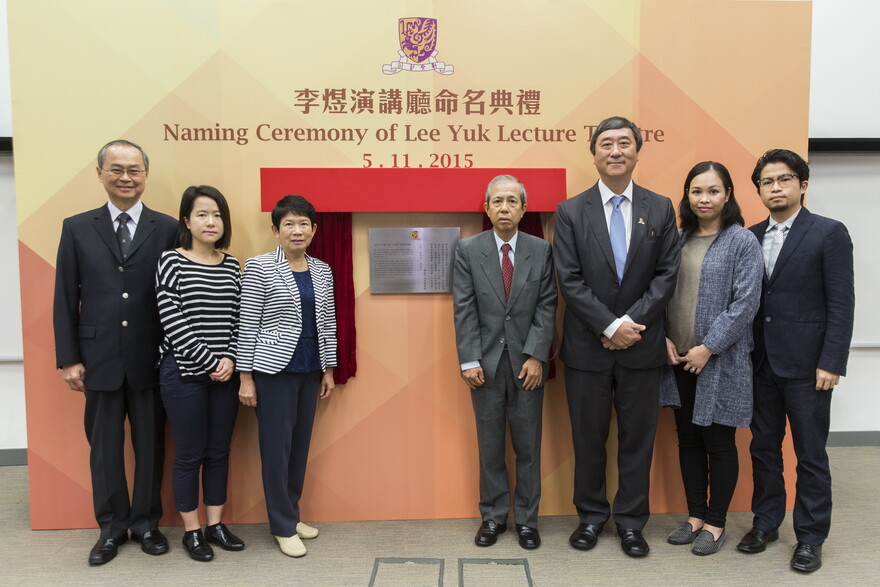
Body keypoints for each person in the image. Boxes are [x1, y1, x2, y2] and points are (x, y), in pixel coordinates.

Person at [553, 116, 679, 557]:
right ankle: (590, 518)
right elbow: (569, 280)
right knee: (588, 440)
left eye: (625, 143)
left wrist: (629, 327)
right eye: (606, 143)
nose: (616, 151)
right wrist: (609, 326)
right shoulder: (570, 211)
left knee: (637, 440)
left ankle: (630, 523)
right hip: (588, 349)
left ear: (637, 152)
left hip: (641, 349)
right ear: (594, 154)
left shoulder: (661, 207)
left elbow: (665, 277)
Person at [53, 139, 178, 565]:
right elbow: (65, 296)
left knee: (151, 445)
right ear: (101, 173)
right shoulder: (76, 227)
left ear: (145, 174)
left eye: (134, 170)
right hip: (97, 358)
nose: (126, 177)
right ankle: (110, 529)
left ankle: (145, 524)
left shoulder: (167, 227)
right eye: (116, 169)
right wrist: (69, 358)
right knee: (104, 449)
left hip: (151, 358)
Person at [736, 149, 854, 573]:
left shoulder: (828, 233)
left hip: (808, 368)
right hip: (760, 362)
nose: (775, 188)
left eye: (783, 180)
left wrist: (832, 362)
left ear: (803, 185)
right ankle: (766, 524)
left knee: (810, 455)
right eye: (767, 182)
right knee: (764, 449)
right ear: (759, 191)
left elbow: (841, 304)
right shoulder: (748, 236)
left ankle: (810, 537)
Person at [660, 162, 763, 555]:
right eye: (696, 191)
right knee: (687, 438)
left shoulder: (741, 241)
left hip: (720, 361)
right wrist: (664, 338)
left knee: (718, 442)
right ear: (686, 196)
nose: (704, 199)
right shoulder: (678, 239)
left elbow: (745, 303)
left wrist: (709, 347)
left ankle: (716, 523)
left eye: (713, 191)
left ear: (728, 195)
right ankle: (695, 516)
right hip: (678, 359)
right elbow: (663, 294)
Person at [452, 175, 557, 550]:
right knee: (490, 447)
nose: (504, 208)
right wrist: (468, 360)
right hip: (485, 367)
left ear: (524, 208)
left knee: (528, 448)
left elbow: (547, 305)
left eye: (512, 201)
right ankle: (494, 517)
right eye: (497, 201)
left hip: (527, 366)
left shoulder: (541, 250)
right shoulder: (467, 250)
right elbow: (463, 308)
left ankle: (527, 521)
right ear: (486, 208)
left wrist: (535, 355)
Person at [236, 195, 337, 558]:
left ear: (314, 229)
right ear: (276, 229)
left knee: (298, 449)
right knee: (276, 451)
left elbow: (328, 321)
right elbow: (246, 326)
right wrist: (245, 378)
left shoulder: (322, 269)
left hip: (310, 368)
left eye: (304, 224)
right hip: (272, 372)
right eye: (289, 224)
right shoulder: (260, 267)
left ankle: (292, 516)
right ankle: (280, 525)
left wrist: (329, 368)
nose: (297, 231)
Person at [156, 186, 244, 561]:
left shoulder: (232, 265)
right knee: (189, 454)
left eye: (218, 215)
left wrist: (230, 360)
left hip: (226, 375)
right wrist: (209, 360)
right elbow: (171, 319)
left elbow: (240, 318)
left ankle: (215, 524)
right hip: (183, 374)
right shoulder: (171, 261)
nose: (211, 221)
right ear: (187, 221)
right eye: (203, 214)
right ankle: (192, 532)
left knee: (219, 452)